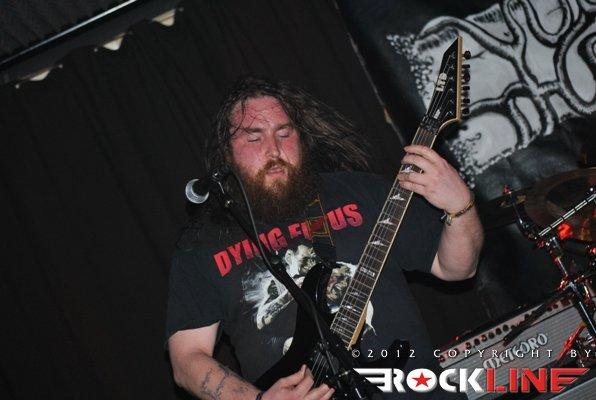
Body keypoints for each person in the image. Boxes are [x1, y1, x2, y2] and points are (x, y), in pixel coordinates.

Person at [165, 77, 483, 400]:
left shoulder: (363, 193)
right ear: (227, 153)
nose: (273, 150)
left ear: (301, 138)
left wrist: (461, 206)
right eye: (254, 138)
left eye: (284, 133)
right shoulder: (203, 243)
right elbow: (186, 359)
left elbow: (457, 268)